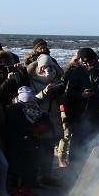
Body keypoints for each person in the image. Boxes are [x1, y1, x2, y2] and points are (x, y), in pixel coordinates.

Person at [64, 47, 99, 157]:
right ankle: (74, 168)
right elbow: (69, 94)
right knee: (78, 141)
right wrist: (81, 95)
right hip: (82, 113)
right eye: (84, 62)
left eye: (91, 61)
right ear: (80, 60)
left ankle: (96, 166)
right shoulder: (76, 72)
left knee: (98, 139)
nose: (88, 65)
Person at [3, 87, 50, 196]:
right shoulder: (12, 109)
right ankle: (14, 188)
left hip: (29, 141)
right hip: (16, 142)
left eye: (30, 101)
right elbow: (14, 127)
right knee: (16, 167)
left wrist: (41, 128)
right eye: (27, 101)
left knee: (28, 166)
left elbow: (42, 120)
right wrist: (32, 130)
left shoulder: (35, 108)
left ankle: (25, 187)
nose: (29, 104)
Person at [27, 54, 64, 184]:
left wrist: (59, 91)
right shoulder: (32, 81)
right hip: (40, 120)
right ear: (39, 67)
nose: (46, 69)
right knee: (38, 150)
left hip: (53, 119)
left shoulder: (56, 79)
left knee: (49, 150)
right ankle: (34, 178)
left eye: (49, 66)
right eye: (44, 67)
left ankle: (46, 176)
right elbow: (30, 100)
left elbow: (62, 100)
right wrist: (44, 93)